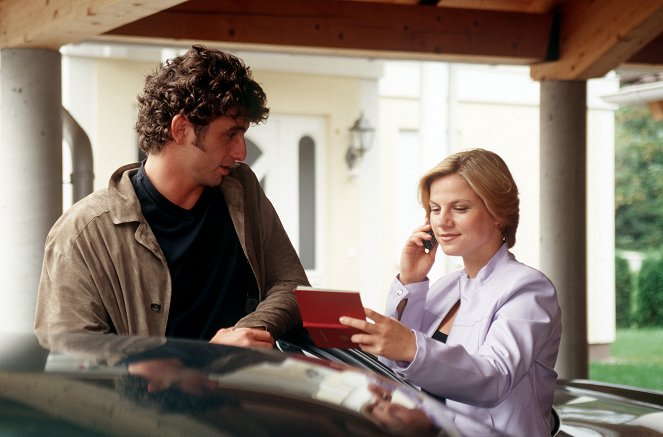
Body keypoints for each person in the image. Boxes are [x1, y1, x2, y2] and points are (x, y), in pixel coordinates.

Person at [35, 45, 309, 349]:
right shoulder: (83, 232)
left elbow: (291, 285)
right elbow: (67, 349)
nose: (241, 152)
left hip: (243, 395)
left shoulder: (242, 189)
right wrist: (198, 358)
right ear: (181, 129)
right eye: (230, 134)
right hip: (144, 398)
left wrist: (250, 330)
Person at [340, 148, 562, 436]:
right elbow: (394, 366)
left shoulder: (528, 289)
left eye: (459, 208)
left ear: (498, 215)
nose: (442, 221)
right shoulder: (445, 287)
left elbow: (494, 379)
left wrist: (411, 346)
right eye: (435, 209)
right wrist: (411, 280)